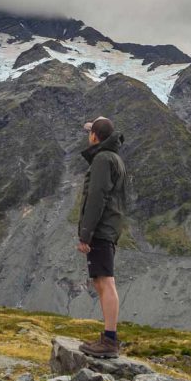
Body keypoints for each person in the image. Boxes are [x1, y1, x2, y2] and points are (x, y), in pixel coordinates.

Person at [76, 115, 127, 358]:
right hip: (109, 226)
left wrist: (86, 233)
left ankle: (109, 339)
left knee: (105, 281)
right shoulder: (113, 158)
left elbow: (96, 197)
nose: (88, 136)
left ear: (96, 136)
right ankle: (109, 337)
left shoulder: (102, 160)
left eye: (90, 132)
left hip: (102, 228)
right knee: (101, 280)